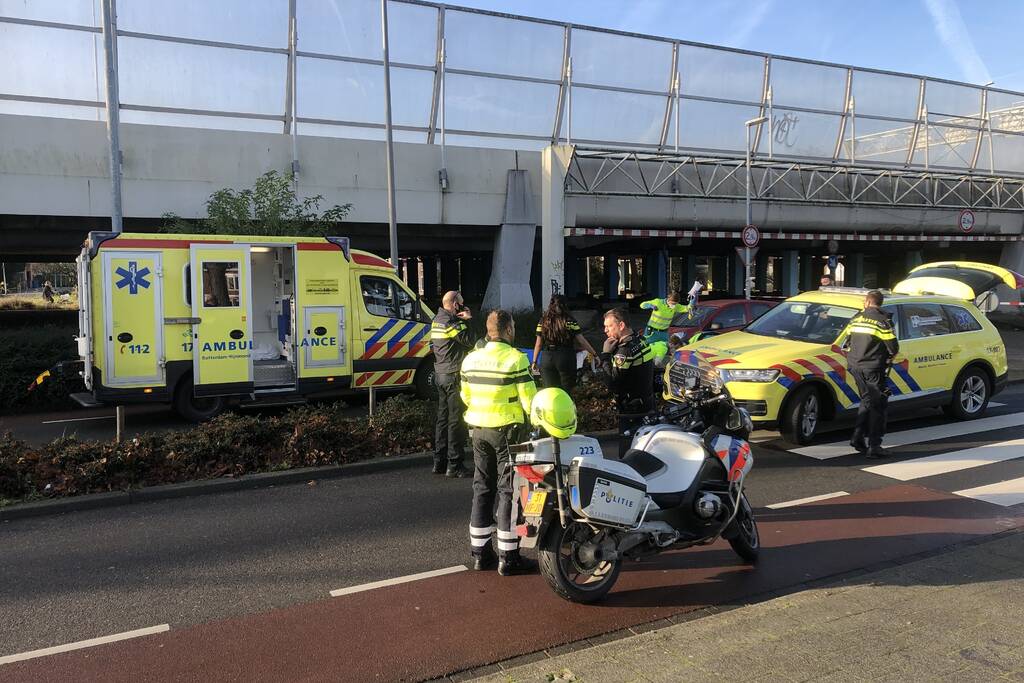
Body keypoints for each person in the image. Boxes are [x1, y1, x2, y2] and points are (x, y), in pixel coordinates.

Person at [460, 309, 538, 575]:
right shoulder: (515, 359)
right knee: (508, 491)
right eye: (513, 327)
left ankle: (481, 555)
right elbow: (529, 400)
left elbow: (466, 396)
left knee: (482, 487)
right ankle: (509, 557)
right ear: (508, 330)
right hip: (506, 431)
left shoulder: (470, 359)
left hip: (478, 429)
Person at [846, 290, 899, 459]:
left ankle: (858, 437)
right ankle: (874, 446)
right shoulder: (883, 321)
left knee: (866, 400)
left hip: (855, 366)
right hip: (873, 368)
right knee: (878, 405)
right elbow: (893, 347)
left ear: (867, 302)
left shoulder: (856, 318)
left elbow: (846, 341)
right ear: (879, 303)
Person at [429, 290, 474, 478]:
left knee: (442, 419)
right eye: (461, 304)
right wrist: (468, 319)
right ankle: (454, 465)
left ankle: (439, 462)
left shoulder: (437, 319)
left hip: (440, 373)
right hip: (453, 375)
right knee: (455, 421)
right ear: (455, 304)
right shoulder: (452, 323)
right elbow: (470, 341)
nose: (463, 307)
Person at [600, 308, 655, 456]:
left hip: (631, 410)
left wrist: (605, 356)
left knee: (626, 454)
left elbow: (612, 382)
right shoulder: (640, 340)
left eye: (609, 326)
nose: (605, 330)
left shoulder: (624, 351)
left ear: (621, 325)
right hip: (646, 402)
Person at [531, 294, 598, 391]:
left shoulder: (543, 321)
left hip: (547, 358)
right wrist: (594, 354)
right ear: (565, 305)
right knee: (566, 392)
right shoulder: (570, 321)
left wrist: (534, 361)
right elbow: (582, 341)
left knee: (550, 393)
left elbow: (538, 344)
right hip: (566, 357)